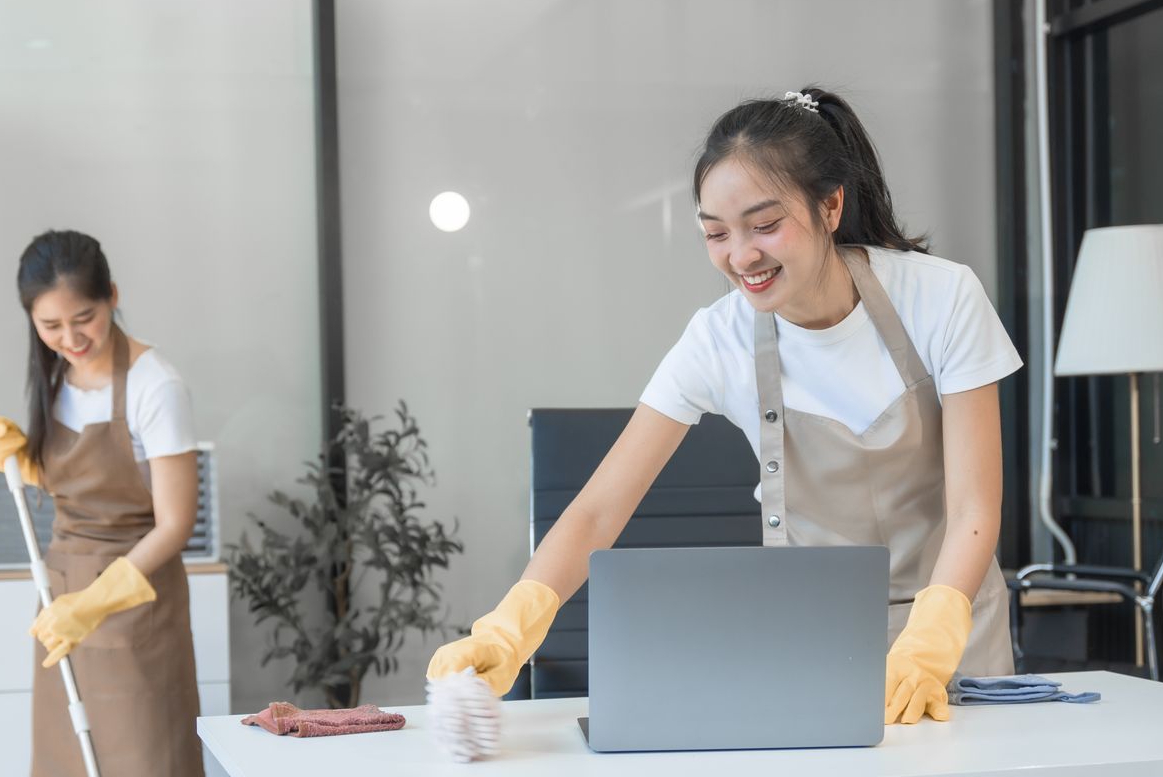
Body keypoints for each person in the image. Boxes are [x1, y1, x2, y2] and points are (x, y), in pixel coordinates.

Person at [429, 88, 1021, 722]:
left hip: (954, 636)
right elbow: (598, 512)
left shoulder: (940, 297)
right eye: (717, 234)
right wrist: (512, 626)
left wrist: (928, 646)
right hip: (811, 645)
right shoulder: (719, 339)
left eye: (765, 226)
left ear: (830, 205)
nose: (742, 256)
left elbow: (973, 509)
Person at [0, 230, 236, 777]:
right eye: (50, 326)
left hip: (137, 605)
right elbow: (67, 487)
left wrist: (106, 597)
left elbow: (175, 523)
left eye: (82, 319)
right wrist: (20, 464)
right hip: (64, 598)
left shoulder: (156, 383)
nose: (70, 338)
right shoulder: (50, 377)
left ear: (112, 296)